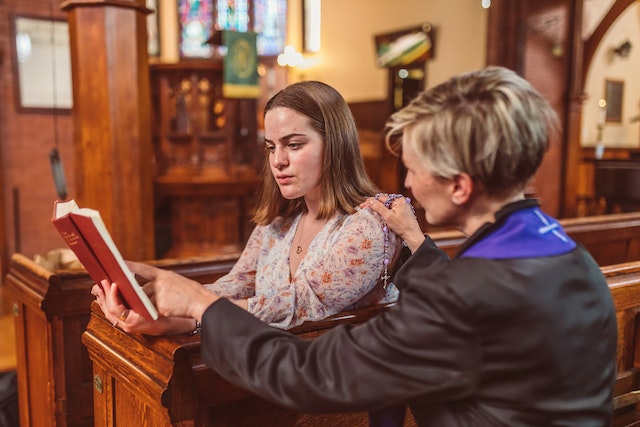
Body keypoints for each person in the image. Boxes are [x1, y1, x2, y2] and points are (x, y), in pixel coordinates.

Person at [132, 66, 618, 426]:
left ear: (460, 186)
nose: (407, 182)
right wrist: (416, 241)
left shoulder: (463, 297)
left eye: (414, 166)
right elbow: (476, 307)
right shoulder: (568, 256)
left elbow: (306, 372)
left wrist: (200, 304)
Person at [93, 80, 402, 334]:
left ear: (335, 143)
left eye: (293, 145)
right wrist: (157, 292)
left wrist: (189, 317)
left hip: (337, 389)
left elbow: (302, 304)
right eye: (271, 147)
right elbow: (237, 284)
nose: (278, 161)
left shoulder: (368, 225)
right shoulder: (279, 224)